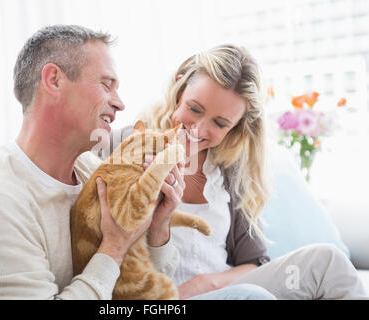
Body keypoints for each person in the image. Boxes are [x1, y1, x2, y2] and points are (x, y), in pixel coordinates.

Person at [0, 25, 273, 300]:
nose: (120, 103)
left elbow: (140, 286)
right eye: (107, 85)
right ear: (54, 80)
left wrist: (158, 227)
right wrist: (115, 245)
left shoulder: (92, 170)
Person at [121, 44, 367, 300]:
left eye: (219, 123)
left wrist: (205, 283)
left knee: (328, 262)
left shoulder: (228, 169)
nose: (198, 130)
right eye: (194, 109)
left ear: (235, 126)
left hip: (224, 293)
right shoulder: (132, 145)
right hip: (161, 298)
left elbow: (254, 263)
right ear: (179, 88)